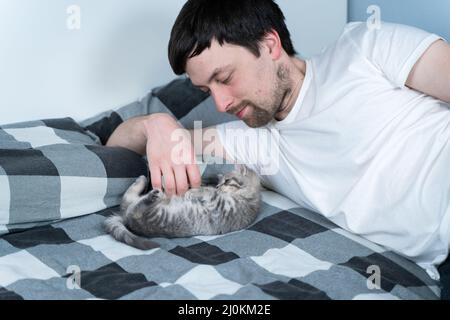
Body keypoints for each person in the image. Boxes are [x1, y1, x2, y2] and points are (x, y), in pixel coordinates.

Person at [106, 0, 450, 280]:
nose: (221, 103)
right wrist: (158, 124)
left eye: (224, 77)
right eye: (205, 91)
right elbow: (113, 149)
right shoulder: (251, 143)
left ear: (270, 44)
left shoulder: (365, 48)